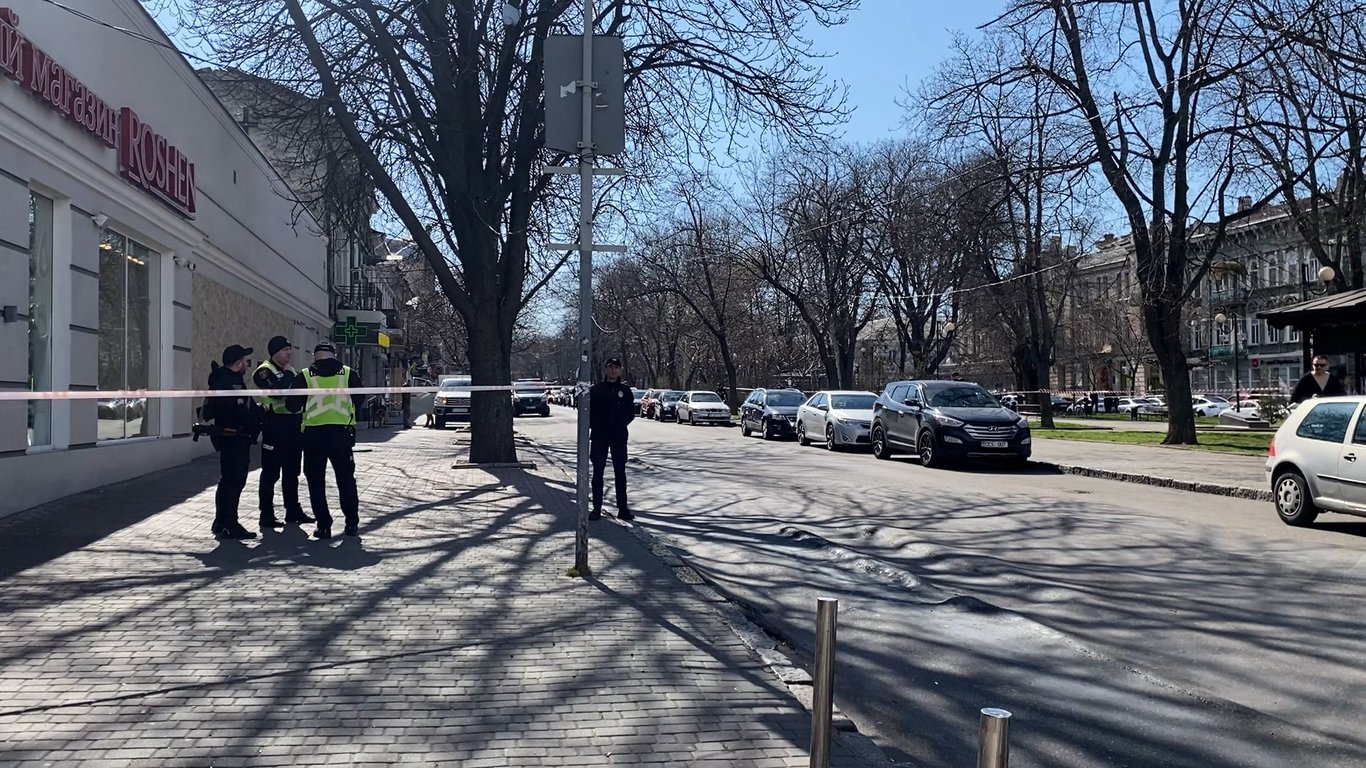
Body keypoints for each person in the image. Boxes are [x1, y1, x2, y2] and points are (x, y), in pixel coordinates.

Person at [288, 342, 365, 539]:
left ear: (315, 357)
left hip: (314, 436)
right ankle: (351, 524)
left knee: (316, 482)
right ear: (334, 356)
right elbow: (360, 400)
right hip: (341, 435)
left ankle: (323, 526)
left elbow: (292, 405)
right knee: (346, 480)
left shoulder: (304, 376)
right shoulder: (349, 374)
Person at [253, 336, 313, 530]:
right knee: (270, 473)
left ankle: (293, 511)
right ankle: (266, 514)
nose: (289, 353)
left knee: (292, 472)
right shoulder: (264, 371)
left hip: (293, 427)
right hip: (274, 426)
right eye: (284, 350)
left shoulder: (290, 370)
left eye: (290, 349)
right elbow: (276, 392)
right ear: (274, 352)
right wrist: (288, 377)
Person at [205, 344, 260, 540]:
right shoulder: (231, 383)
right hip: (234, 437)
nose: (247, 364)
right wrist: (253, 424)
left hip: (232, 437)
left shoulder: (226, 379)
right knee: (234, 481)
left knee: (228, 480)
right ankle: (229, 523)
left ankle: (221, 521)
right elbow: (239, 411)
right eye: (246, 361)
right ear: (238, 363)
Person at [589, 357, 635, 521]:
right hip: (599, 436)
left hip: (619, 436)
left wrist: (620, 423)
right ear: (605, 370)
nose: (614, 370)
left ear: (620, 370)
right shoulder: (596, 390)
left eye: (617, 367)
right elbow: (589, 414)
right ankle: (596, 509)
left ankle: (623, 509)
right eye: (611, 367)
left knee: (620, 473)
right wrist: (597, 426)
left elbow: (631, 413)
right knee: (597, 473)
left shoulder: (625, 391)